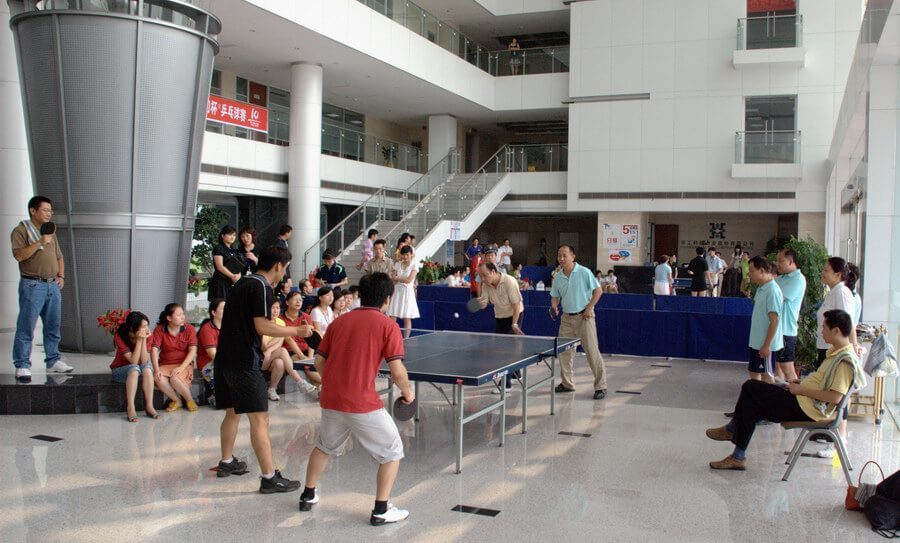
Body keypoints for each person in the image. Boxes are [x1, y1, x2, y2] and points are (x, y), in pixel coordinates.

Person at [298, 272, 413, 525]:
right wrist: (407, 392)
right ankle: (381, 509)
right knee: (393, 451)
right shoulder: (388, 326)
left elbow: (318, 361)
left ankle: (307, 495)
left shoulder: (339, 322)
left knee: (325, 445)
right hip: (362, 402)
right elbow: (396, 370)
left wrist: (335, 384)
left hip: (331, 398)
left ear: (360, 294)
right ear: (388, 299)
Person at [706, 309, 864, 471]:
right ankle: (737, 456)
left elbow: (836, 397)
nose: (821, 331)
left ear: (836, 331)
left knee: (750, 387)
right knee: (751, 405)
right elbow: (824, 384)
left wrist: (801, 390)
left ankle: (733, 432)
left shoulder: (844, 361)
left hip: (807, 408)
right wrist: (801, 383)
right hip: (804, 401)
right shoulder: (836, 354)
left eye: (824, 327)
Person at [214, 245, 313, 492]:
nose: (285, 273)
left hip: (226, 359)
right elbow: (262, 326)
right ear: (278, 266)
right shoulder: (262, 287)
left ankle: (227, 462)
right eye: (286, 268)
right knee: (260, 419)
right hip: (244, 361)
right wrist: (297, 331)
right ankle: (269, 478)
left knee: (232, 412)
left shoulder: (242, 283)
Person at [11, 196, 72, 382]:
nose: (49, 213)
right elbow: (19, 255)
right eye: (45, 210)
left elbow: (59, 256)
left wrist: (61, 276)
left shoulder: (51, 231)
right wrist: (39, 242)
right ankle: (22, 364)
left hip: (52, 285)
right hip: (32, 285)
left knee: (53, 325)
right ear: (33, 211)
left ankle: (53, 360)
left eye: (50, 211)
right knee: (26, 326)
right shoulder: (21, 230)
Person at [814, 257, 861, 458]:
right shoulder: (833, 291)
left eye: (826, 270)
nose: (823, 273)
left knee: (838, 394)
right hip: (827, 347)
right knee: (828, 392)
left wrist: (853, 347)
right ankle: (830, 433)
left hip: (835, 350)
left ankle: (838, 438)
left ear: (838, 274)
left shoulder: (841, 292)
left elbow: (847, 322)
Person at [550, 245, 608, 400]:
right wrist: (554, 306)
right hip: (566, 319)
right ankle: (567, 384)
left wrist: (589, 308)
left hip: (585, 317)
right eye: (559, 255)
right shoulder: (557, 276)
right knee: (564, 353)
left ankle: (600, 386)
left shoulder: (584, 272)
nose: (561, 258)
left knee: (592, 352)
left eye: (565, 255)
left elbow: (598, 291)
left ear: (573, 256)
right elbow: (555, 295)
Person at [477, 262, 524, 392]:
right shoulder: (486, 285)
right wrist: (481, 304)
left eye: (485, 275)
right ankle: (516, 374)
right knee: (504, 347)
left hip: (515, 314)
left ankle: (506, 384)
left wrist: (514, 324)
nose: (483, 279)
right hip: (500, 316)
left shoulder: (509, 281)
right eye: (481, 276)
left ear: (493, 271)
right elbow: (485, 303)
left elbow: (516, 305)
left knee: (505, 350)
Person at [110, 311, 158, 422]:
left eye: (147, 325)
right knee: (134, 369)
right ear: (132, 328)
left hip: (138, 372)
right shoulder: (120, 335)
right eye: (144, 327)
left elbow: (144, 360)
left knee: (147, 368)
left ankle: (149, 406)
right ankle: (130, 408)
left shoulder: (148, 335)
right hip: (119, 372)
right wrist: (140, 340)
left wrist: (144, 339)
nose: (147, 329)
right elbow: (134, 361)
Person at [150, 303, 198, 412]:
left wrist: (181, 367)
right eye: (178, 315)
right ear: (169, 318)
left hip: (184, 364)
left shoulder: (189, 329)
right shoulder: (159, 329)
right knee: (158, 378)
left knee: (175, 379)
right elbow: (154, 351)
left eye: (183, 314)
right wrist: (156, 370)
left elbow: (192, 351)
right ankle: (177, 400)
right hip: (165, 364)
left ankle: (189, 400)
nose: (182, 317)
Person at [745, 257, 783, 383]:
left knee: (767, 375)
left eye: (751, 271)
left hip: (765, 344)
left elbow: (775, 320)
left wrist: (766, 345)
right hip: (756, 341)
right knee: (754, 372)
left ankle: (769, 401)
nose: (749, 274)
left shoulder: (772, 290)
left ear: (761, 270)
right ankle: (757, 399)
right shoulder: (761, 289)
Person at [260, 301, 307, 402]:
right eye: (272, 308)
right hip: (261, 358)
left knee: (280, 363)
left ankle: (272, 389)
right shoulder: (262, 323)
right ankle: (299, 381)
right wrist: (276, 339)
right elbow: (264, 346)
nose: (275, 311)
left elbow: (280, 341)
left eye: (277, 308)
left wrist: (270, 350)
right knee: (282, 350)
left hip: (270, 356)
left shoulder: (281, 322)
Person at [774, 249, 807, 382]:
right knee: (777, 367)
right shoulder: (780, 278)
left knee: (787, 368)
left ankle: (796, 398)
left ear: (791, 262)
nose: (778, 264)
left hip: (786, 330)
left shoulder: (798, 279)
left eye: (781, 261)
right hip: (776, 329)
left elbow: (777, 297)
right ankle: (780, 397)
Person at [281, 291, 321, 392]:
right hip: (291, 351)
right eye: (295, 300)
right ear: (287, 302)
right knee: (305, 365)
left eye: (300, 300)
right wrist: (303, 358)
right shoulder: (281, 318)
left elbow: (312, 338)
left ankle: (321, 390)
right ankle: (329, 384)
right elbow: (288, 339)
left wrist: (310, 356)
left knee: (313, 363)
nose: (299, 302)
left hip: (307, 350)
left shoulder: (306, 317)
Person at [197, 298, 225, 407]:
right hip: (208, 364)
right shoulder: (207, 329)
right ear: (213, 312)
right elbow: (213, 355)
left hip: (225, 360)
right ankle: (216, 397)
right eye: (223, 309)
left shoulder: (229, 326)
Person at [388, 245, 419, 338]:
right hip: (397, 291)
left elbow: (409, 280)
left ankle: (406, 338)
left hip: (407, 293)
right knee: (392, 315)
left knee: (407, 317)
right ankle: (390, 336)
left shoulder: (414, 265)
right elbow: (393, 279)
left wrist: (397, 278)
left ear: (411, 255)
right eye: (403, 255)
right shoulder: (397, 264)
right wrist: (397, 278)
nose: (405, 257)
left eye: (407, 255)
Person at [209, 225, 244, 301]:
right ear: (223, 235)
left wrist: (238, 275)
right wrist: (232, 276)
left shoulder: (234, 250)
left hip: (232, 282)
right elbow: (220, 266)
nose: (232, 237)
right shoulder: (219, 248)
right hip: (221, 282)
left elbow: (238, 265)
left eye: (234, 235)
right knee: (221, 304)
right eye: (229, 234)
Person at [275, 224, 293, 294]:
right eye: (290, 233)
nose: (291, 235)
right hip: (281, 272)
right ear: (287, 233)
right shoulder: (279, 243)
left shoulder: (283, 242)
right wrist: (287, 277)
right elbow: (283, 261)